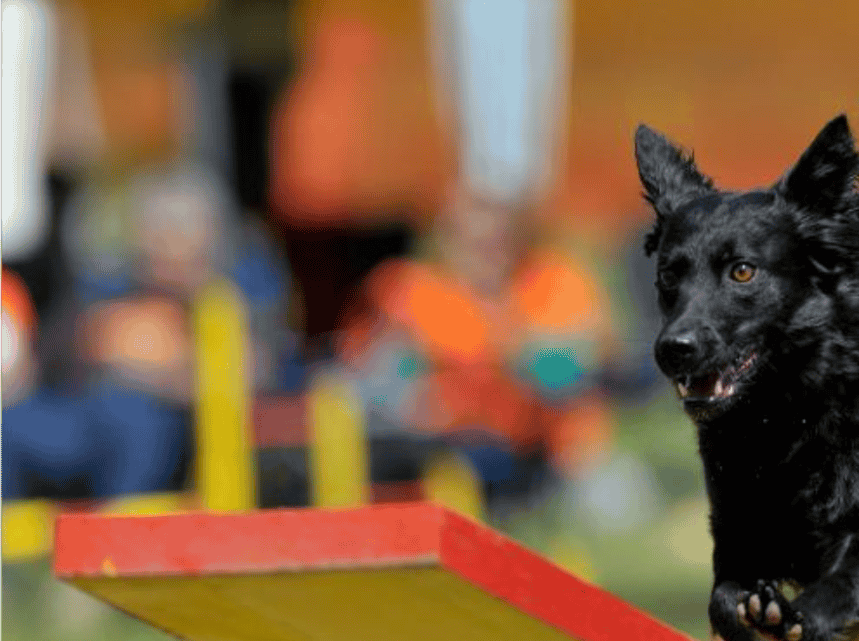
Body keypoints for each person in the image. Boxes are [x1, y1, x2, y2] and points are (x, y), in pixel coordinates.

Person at [1, 163, 290, 501]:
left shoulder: (239, 294)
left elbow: (264, 372)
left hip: (174, 434)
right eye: (155, 233)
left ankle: (121, 539)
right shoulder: (111, 286)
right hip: (81, 420)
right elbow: (58, 350)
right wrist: (98, 339)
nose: (164, 247)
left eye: (179, 234)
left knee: (135, 421)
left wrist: (164, 365)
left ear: (210, 239)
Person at [335, 181, 616, 508]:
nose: (486, 255)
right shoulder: (410, 291)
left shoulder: (549, 283)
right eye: (472, 242)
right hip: (437, 455)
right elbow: (364, 385)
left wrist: (511, 348)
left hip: (542, 457)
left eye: (497, 243)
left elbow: (583, 370)